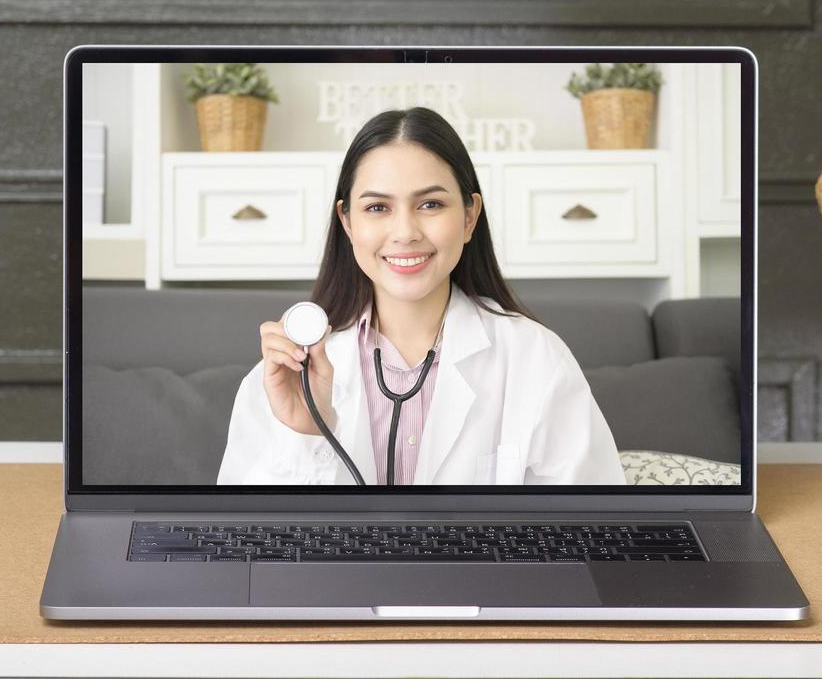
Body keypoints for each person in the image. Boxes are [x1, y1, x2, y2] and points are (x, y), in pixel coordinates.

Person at [217, 107, 624, 486]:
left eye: (430, 204)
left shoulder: (535, 358)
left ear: (469, 217)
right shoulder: (286, 374)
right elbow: (251, 548)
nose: (405, 232)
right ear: (347, 223)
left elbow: (595, 531)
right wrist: (304, 433)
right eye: (377, 208)